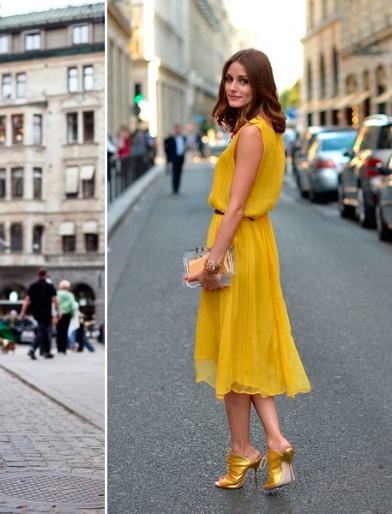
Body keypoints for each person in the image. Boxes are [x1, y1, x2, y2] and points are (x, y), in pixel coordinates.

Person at [187, 49, 311, 492]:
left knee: (237, 349)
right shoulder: (261, 128)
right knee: (236, 351)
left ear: (260, 85)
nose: (234, 87)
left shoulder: (254, 134)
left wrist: (211, 261)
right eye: (229, 79)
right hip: (251, 239)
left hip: (238, 240)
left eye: (243, 80)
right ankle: (248, 449)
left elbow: (237, 205)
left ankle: (267, 444)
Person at [20, 268, 60, 359]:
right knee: (42, 331)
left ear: (38, 275)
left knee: (44, 330)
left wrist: (22, 312)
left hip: (36, 312)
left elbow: (26, 300)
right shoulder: (49, 286)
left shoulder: (33, 286)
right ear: (46, 275)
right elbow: (55, 300)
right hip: (46, 312)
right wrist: (58, 312)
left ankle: (47, 351)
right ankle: (32, 349)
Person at [164, 124, 187, 194]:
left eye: (179, 129)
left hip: (181, 157)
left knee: (179, 172)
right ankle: (174, 187)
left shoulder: (183, 138)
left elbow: (185, 146)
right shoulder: (171, 138)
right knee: (175, 173)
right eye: (176, 129)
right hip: (174, 158)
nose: (178, 130)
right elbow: (166, 143)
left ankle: (177, 186)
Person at [56, 280, 77, 354]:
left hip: (58, 314)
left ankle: (59, 348)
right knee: (65, 331)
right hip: (67, 314)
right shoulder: (69, 295)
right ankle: (63, 349)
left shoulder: (57, 294)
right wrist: (73, 312)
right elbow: (73, 305)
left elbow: (56, 303)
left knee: (58, 331)